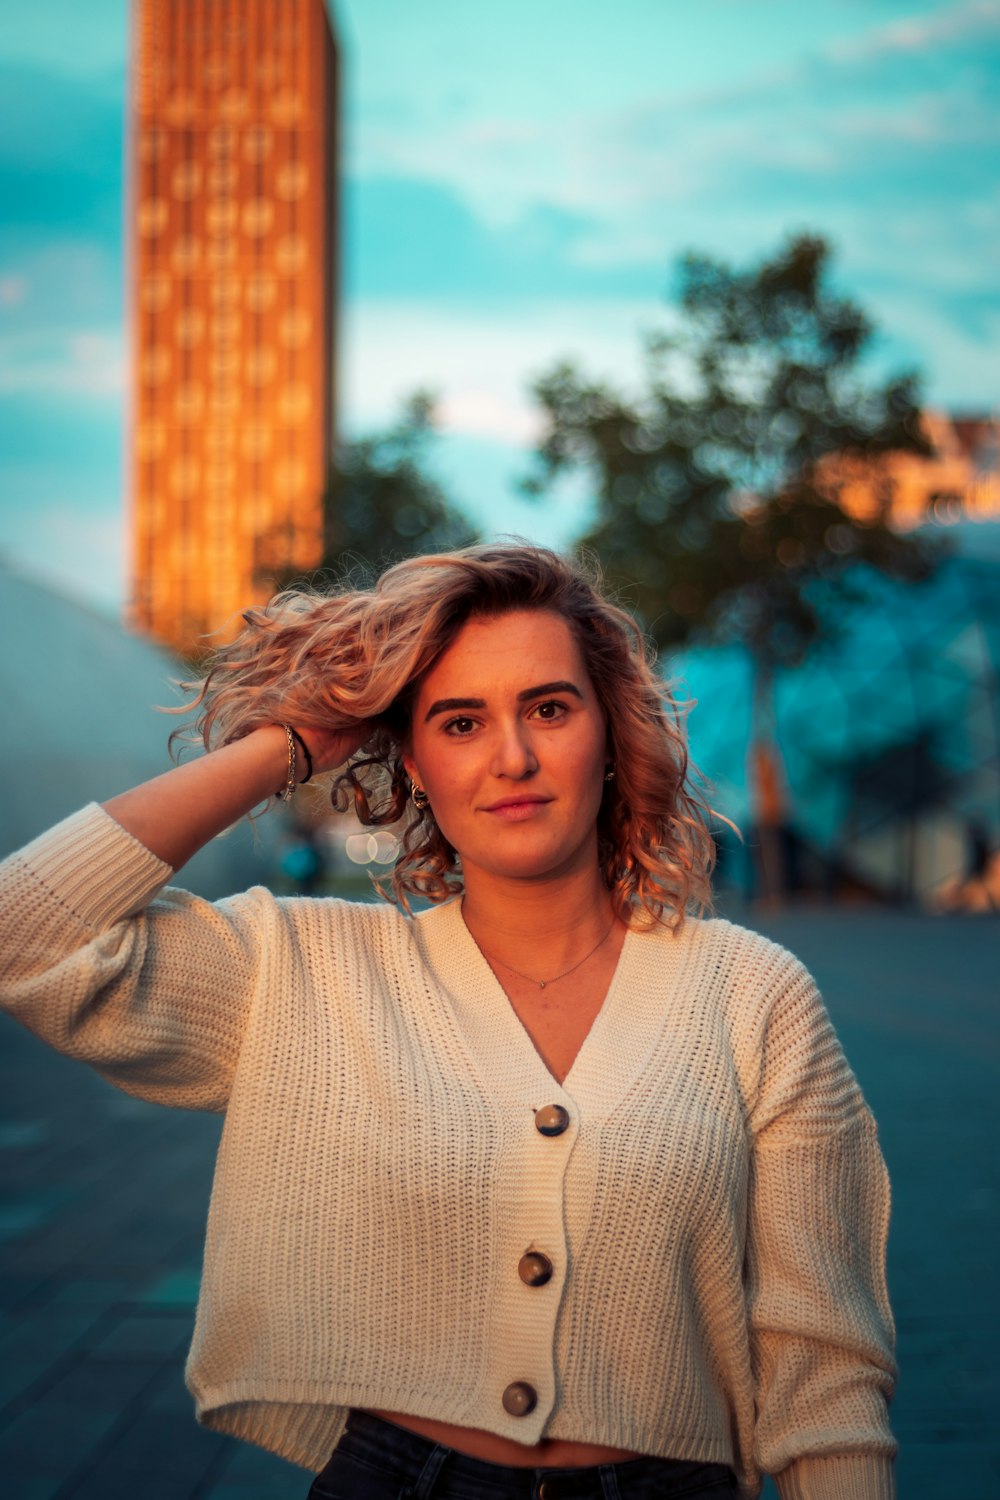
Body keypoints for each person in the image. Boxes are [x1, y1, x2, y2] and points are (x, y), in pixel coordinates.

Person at [0, 544, 897, 1500]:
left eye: (549, 708)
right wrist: (288, 746)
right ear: (414, 763)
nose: (512, 758)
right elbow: (26, 936)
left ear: (608, 732)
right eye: (459, 722)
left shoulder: (755, 997)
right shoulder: (302, 970)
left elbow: (826, 1372)